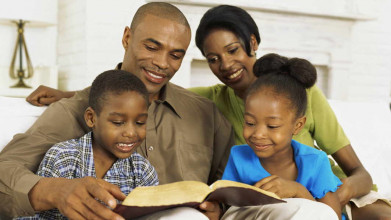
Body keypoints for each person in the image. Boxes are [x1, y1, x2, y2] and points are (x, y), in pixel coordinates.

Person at [0, 2, 234, 220]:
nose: (163, 63)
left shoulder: (206, 114)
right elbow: (5, 170)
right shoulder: (74, 110)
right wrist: (57, 191)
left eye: (175, 55)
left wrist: (219, 208)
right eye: (152, 47)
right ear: (127, 38)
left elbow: (230, 186)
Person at [190, 4, 391, 220]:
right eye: (213, 59)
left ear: (252, 42)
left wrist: (331, 197)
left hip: (331, 193)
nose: (226, 64)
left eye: (232, 50)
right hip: (270, 205)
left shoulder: (299, 90)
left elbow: (358, 175)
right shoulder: (209, 100)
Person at [15, 70, 159, 219]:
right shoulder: (62, 157)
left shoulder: (143, 171)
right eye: (118, 122)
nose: (131, 133)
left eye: (140, 122)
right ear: (91, 119)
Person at [221, 53, 341, 219]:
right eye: (249, 123)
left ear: (298, 125)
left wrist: (298, 191)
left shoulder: (315, 161)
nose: (258, 134)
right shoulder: (238, 156)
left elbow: (331, 215)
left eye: (272, 126)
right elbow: (228, 207)